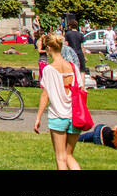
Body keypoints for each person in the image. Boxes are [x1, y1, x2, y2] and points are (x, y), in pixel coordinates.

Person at [33, 31, 81, 170]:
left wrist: (38, 117)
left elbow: (45, 95)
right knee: (69, 155)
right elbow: (81, 89)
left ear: (48, 48)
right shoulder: (72, 67)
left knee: (60, 158)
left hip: (58, 115)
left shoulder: (49, 69)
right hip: (74, 115)